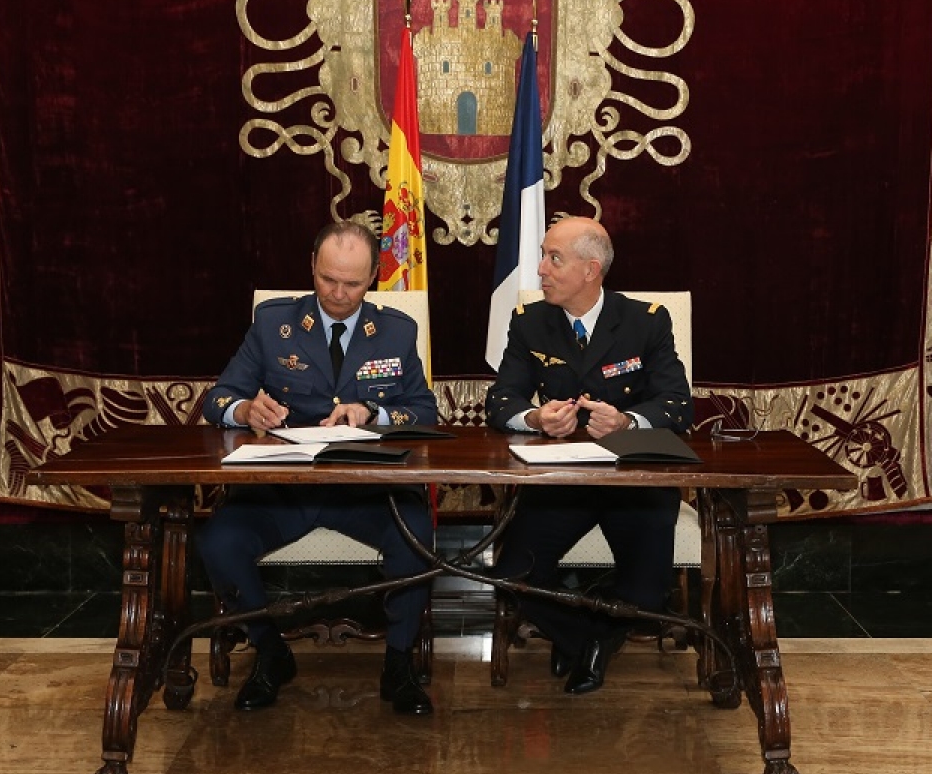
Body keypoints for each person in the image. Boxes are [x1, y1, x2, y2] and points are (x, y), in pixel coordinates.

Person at [199, 221, 436, 715]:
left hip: (366, 492)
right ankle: (270, 652)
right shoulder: (273, 323)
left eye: (352, 283)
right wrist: (244, 411)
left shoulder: (396, 330)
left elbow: (425, 412)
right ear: (312, 266)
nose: (338, 294)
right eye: (328, 279)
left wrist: (374, 414)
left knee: (415, 533)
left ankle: (399, 665)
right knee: (219, 541)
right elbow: (216, 398)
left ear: (373, 276)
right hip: (283, 491)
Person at [485, 217, 693, 693]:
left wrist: (626, 422)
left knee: (646, 592)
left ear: (590, 270)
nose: (541, 269)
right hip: (562, 483)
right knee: (514, 576)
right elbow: (500, 402)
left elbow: (678, 404)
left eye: (554, 258)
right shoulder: (529, 322)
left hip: (634, 483)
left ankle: (588, 638)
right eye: (543, 255)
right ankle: (588, 640)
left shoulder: (646, 321)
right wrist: (535, 420)